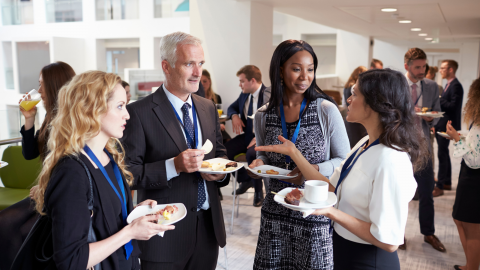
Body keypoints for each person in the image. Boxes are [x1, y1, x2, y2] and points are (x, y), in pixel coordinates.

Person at [256, 68, 429, 270]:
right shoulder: (366, 142)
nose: (348, 99)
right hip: (344, 250)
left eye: (355, 94)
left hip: (368, 259)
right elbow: (330, 188)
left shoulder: (391, 159)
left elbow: (389, 241)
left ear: (375, 103)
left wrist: (330, 212)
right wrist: (294, 153)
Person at [31, 70, 174, 270]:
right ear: (92, 110)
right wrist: (130, 232)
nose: (127, 114)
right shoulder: (71, 173)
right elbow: (71, 260)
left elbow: (104, 216)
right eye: (120, 106)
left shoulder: (108, 155)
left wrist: (136, 212)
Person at [121, 31, 228, 270]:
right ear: (166, 66)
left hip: (208, 231)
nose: (198, 72)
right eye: (189, 64)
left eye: (200, 64)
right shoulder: (139, 113)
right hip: (164, 235)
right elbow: (128, 174)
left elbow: (221, 155)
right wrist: (173, 166)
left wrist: (219, 172)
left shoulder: (208, 107)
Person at [250, 40, 350, 269]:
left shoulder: (325, 110)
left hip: (313, 215)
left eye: (310, 69)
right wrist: (259, 164)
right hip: (275, 212)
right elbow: (267, 157)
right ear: (280, 72)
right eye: (296, 69)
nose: (305, 76)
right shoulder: (263, 115)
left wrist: (313, 169)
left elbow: (344, 160)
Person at [0, 61, 76, 270]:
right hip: (46, 193)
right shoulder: (51, 117)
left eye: (42, 85)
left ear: (53, 86)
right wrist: (29, 120)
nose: (38, 91)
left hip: (56, 197)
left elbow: (69, 167)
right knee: (6, 224)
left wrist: (45, 188)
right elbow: (29, 153)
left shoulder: (70, 122)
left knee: (11, 227)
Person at [400, 48, 445, 252]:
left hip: (424, 147)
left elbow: (436, 113)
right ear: (406, 66)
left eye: (423, 66)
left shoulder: (432, 86)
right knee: (399, 194)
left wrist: (431, 117)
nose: (421, 70)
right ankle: (398, 234)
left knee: (426, 192)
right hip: (400, 148)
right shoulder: (397, 85)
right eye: (417, 67)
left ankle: (428, 233)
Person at [226, 65, 271, 207]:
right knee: (224, 150)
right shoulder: (244, 94)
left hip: (262, 139)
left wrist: (259, 137)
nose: (240, 85)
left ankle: (259, 193)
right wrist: (234, 116)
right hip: (247, 137)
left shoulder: (268, 94)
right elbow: (232, 107)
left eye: (242, 81)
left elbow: (273, 121)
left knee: (253, 154)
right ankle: (245, 179)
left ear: (252, 80)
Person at [447, 78, 480, 270]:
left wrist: (457, 139)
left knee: (471, 226)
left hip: (474, 178)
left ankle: (472, 266)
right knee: (459, 218)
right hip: (470, 176)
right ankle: (471, 264)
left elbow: (475, 161)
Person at [434, 60, 464, 196]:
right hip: (443, 124)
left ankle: (439, 186)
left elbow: (453, 107)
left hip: (448, 125)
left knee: (442, 154)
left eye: (443, 68)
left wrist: (439, 99)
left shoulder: (456, 86)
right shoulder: (449, 84)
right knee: (444, 153)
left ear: (450, 70)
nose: (440, 70)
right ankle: (446, 182)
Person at [201, 69, 231, 143]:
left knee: (228, 140)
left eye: (204, 81)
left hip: (216, 127)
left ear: (209, 81)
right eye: (199, 82)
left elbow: (219, 114)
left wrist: (221, 124)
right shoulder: (195, 98)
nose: (202, 84)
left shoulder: (216, 97)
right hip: (204, 129)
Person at [343, 66, 368, 148]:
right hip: (356, 121)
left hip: (349, 116)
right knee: (358, 146)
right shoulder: (355, 87)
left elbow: (344, 103)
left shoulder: (346, 86)